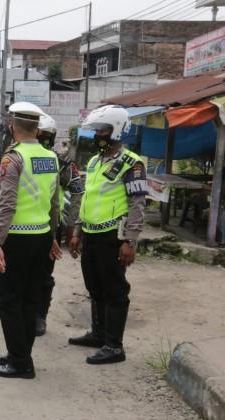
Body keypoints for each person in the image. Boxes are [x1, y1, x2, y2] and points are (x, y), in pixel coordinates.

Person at [68, 105, 148, 365]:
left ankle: (114, 346)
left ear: (115, 131)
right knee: (94, 285)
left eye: (101, 130)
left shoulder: (131, 163)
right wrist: (77, 232)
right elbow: (87, 198)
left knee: (114, 290)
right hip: (91, 233)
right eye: (96, 131)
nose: (97, 135)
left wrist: (130, 241)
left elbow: (137, 204)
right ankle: (98, 334)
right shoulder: (93, 162)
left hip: (113, 236)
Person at [0, 102, 61, 379]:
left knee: (8, 298)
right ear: (37, 128)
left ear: (12, 127)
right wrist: (53, 236)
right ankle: (20, 353)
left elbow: (6, 205)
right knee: (30, 299)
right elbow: (54, 203)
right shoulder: (51, 158)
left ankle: (20, 363)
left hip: (16, 238)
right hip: (41, 237)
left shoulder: (13, 158)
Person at [34, 114, 84, 336]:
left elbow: (78, 190)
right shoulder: (19, 158)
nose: (41, 140)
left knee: (44, 276)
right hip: (21, 226)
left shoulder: (61, 163)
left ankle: (39, 317)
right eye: (38, 135)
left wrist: (72, 225)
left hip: (49, 229)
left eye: (45, 136)